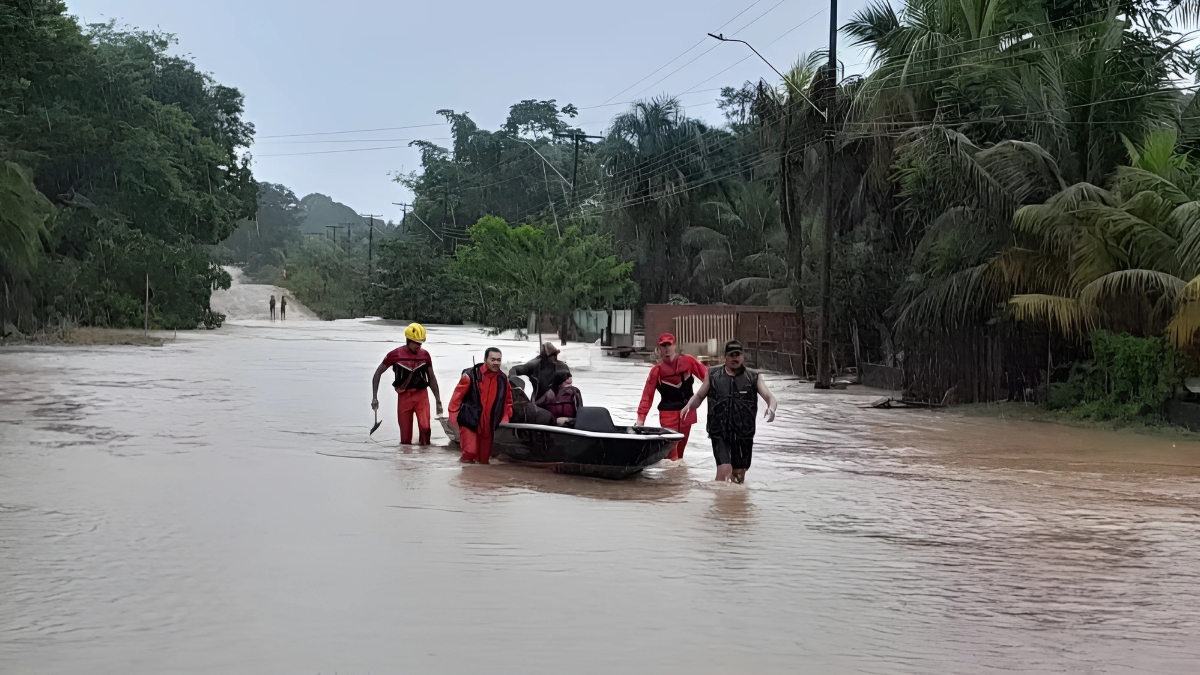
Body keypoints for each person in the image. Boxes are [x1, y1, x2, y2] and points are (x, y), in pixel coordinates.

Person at [680, 340, 777, 484]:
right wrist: (689, 405)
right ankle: (718, 501)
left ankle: (734, 504)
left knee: (739, 475)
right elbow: (700, 396)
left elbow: (769, 397)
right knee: (724, 468)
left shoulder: (753, 377)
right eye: (731, 355)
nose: (735, 358)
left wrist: (771, 408)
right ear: (725, 356)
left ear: (743, 356)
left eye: (738, 355)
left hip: (743, 432)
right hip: (719, 430)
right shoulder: (712, 375)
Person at [636, 333, 708, 460]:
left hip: (688, 412)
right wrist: (640, 420)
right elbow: (647, 396)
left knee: (680, 455)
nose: (666, 349)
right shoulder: (656, 371)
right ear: (659, 349)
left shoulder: (688, 361)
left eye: (669, 344)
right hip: (668, 414)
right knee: (671, 455)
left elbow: (708, 378)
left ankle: (677, 477)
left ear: (675, 346)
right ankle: (669, 475)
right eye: (663, 346)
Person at [370, 323, 443, 445]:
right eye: (416, 343)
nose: (419, 346)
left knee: (425, 429)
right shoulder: (395, 355)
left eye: (421, 343)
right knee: (405, 439)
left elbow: (432, 378)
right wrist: (374, 398)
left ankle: (425, 460)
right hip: (404, 396)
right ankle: (406, 462)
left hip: (421, 396)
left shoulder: (425, 355)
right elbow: (377, 374)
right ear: (408, 340)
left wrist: (438, 400)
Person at [448, 347, 513, 464]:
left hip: (489, 425)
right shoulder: (470, 376)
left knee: (484, 460)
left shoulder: (503, 379)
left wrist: (505, 418)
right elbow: (456, 399)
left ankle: (479, 481)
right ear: (485, 360)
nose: (496, 363)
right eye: (493, 360)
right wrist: (453, 419)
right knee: (470, 452)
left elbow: (508, 402)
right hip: (470, 420)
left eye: (499, 360)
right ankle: (463, 478)